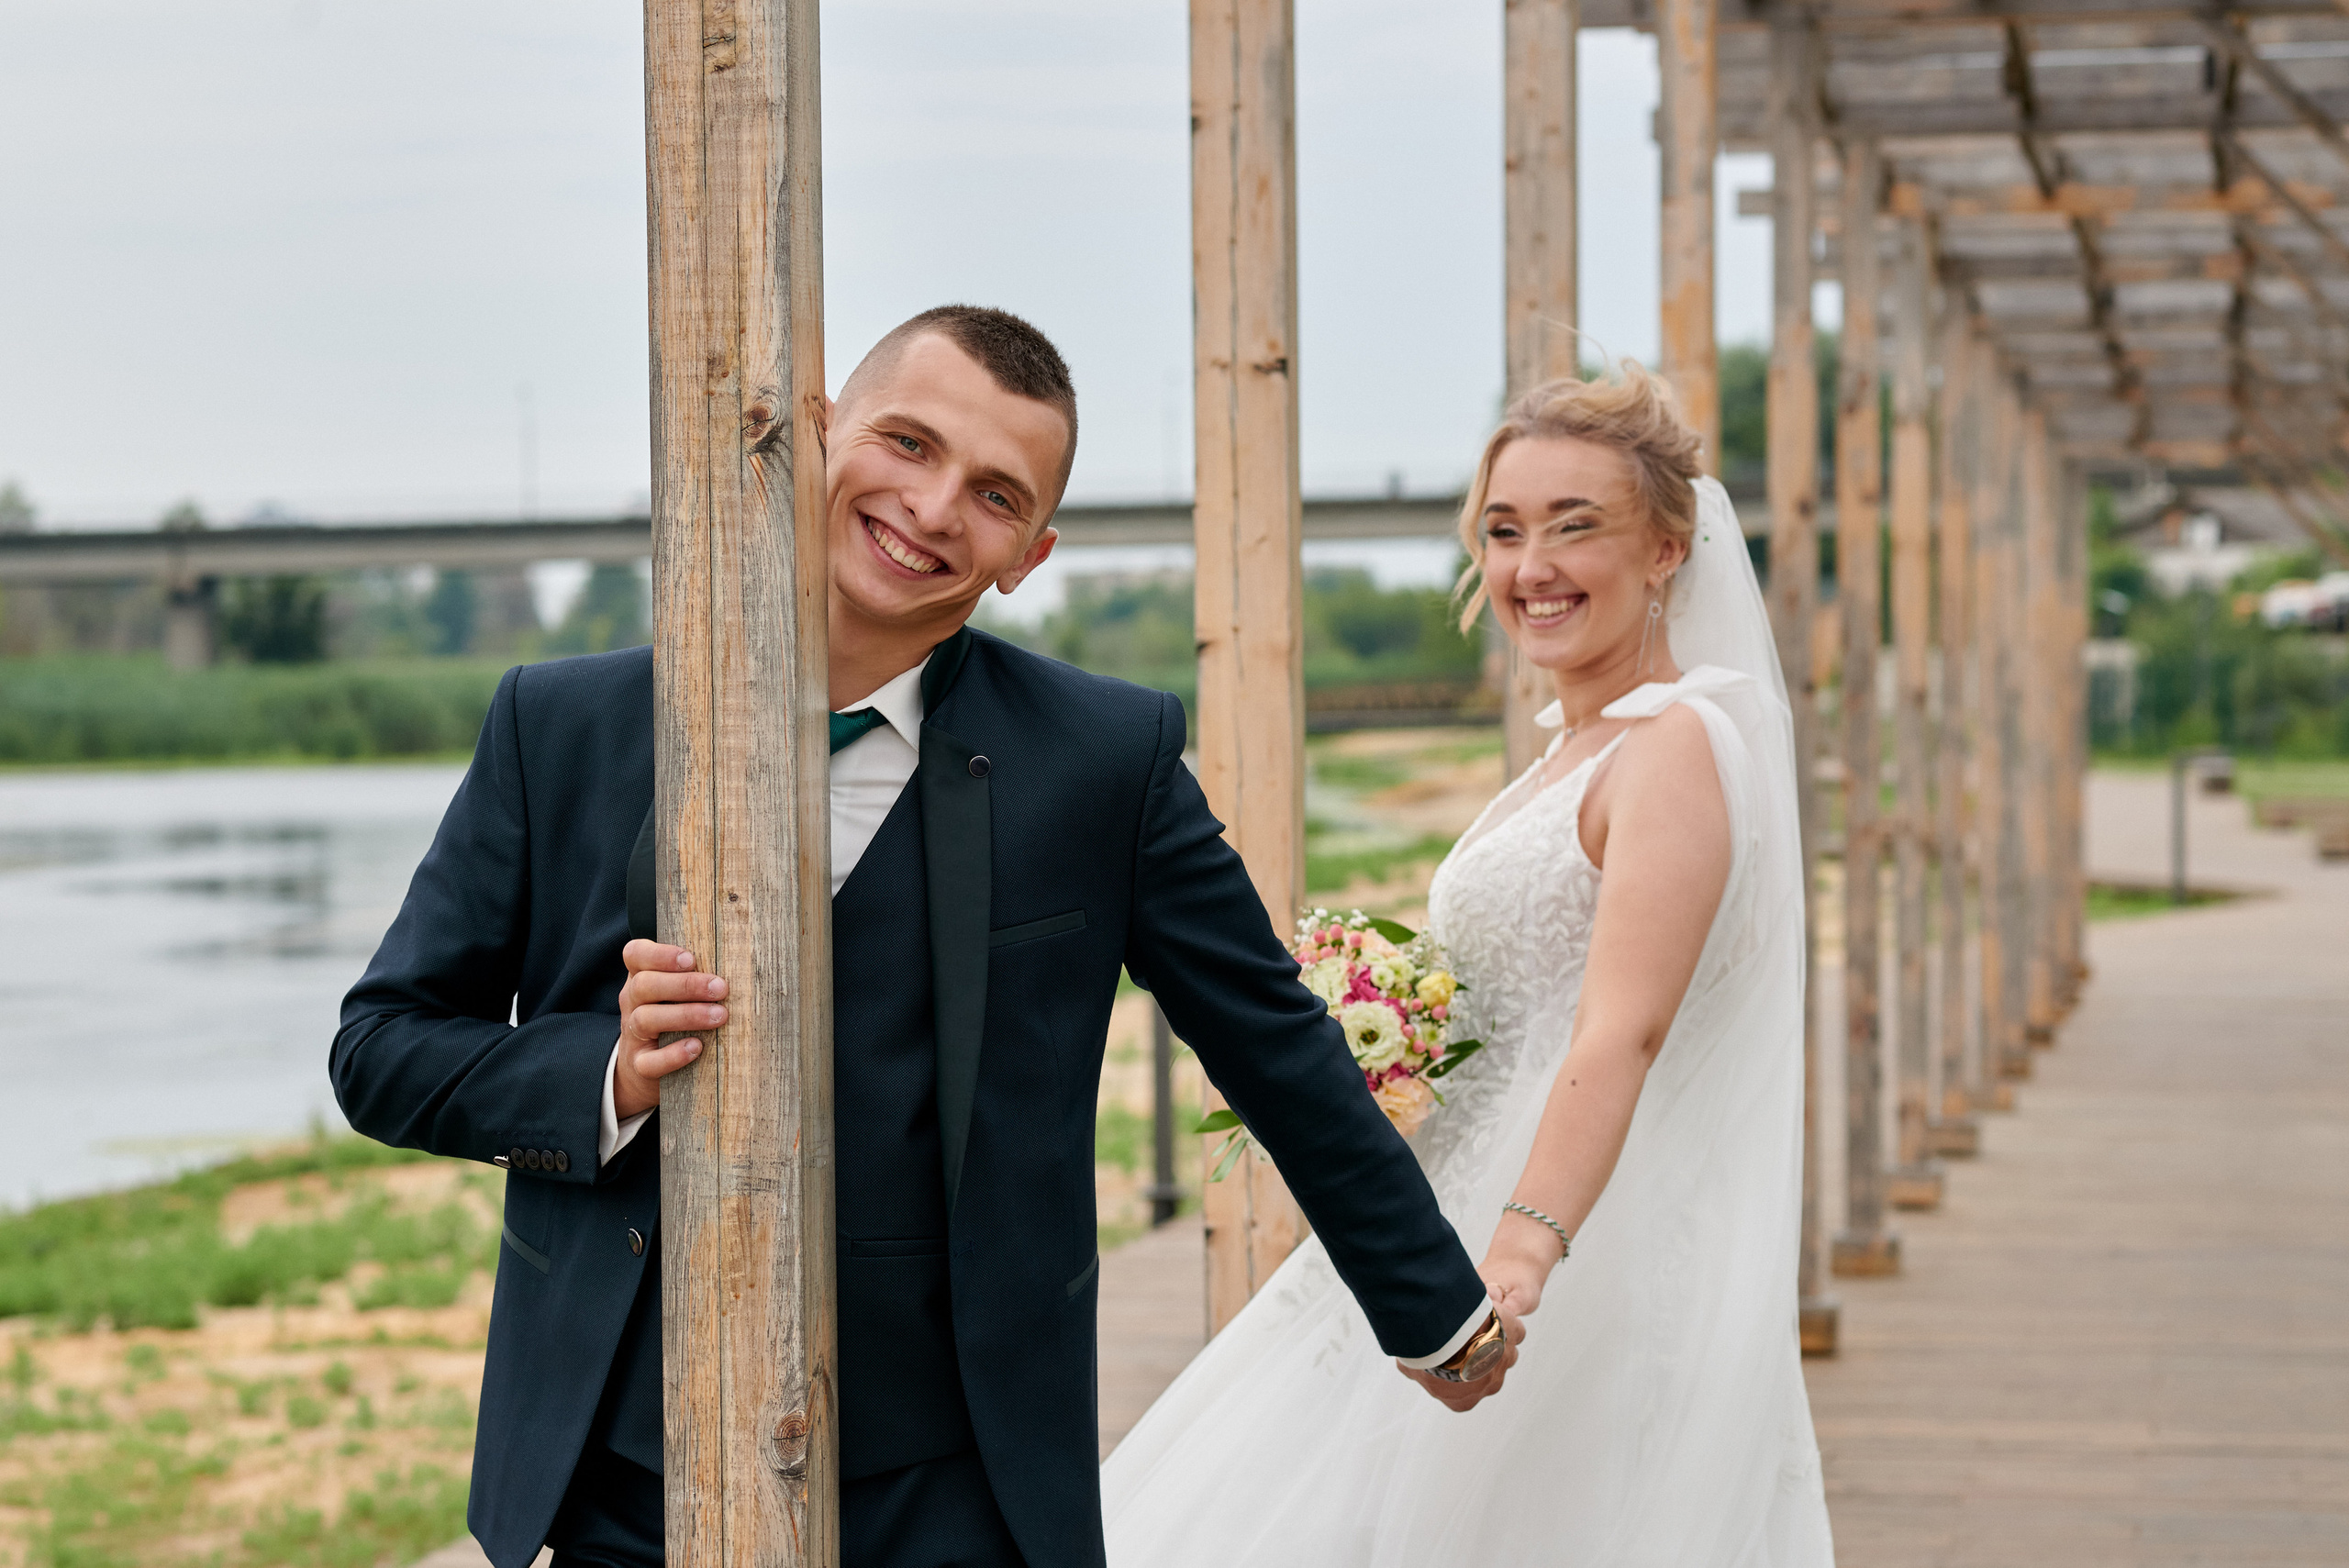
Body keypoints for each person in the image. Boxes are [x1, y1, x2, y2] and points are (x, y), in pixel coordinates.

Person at [331, 305, 1516, 1568]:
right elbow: (384, 1047)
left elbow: (1269, 1036)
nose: (936, 505)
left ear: (1029, 554)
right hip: (630, 1463)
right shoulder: (561, 725)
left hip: (956, 1475)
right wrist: (603, 1075)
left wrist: (1434, 1309)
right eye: (909, 442)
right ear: (828, 429)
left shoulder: (1105, 762)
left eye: (996, 494)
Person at [1099, 364, 1836, 1565]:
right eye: (1503, 530)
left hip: (1566, 1252)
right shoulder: (1575, 752)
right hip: (1448, 1206)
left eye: (1573, 525)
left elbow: (1621, 1030)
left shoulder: (1676, 749)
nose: (1529, 566)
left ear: (1667, 546)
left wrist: (1519, 1254)